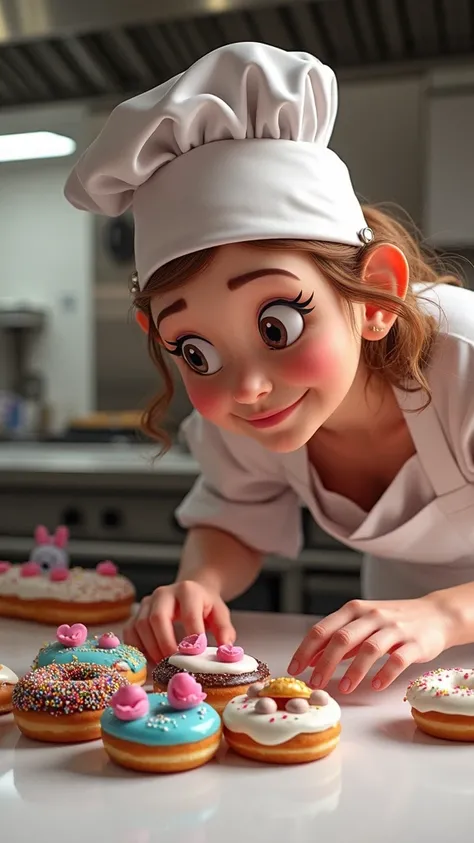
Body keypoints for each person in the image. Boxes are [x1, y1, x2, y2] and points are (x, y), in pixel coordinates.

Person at [65, 42, 474, 696]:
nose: (247, 387)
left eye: (277, 324)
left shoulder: (465, 358)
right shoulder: (245, 409)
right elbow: (235, 517)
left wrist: (443, 614)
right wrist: (200, 583)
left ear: (375, 295)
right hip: (393, 670)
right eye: (196, 352)